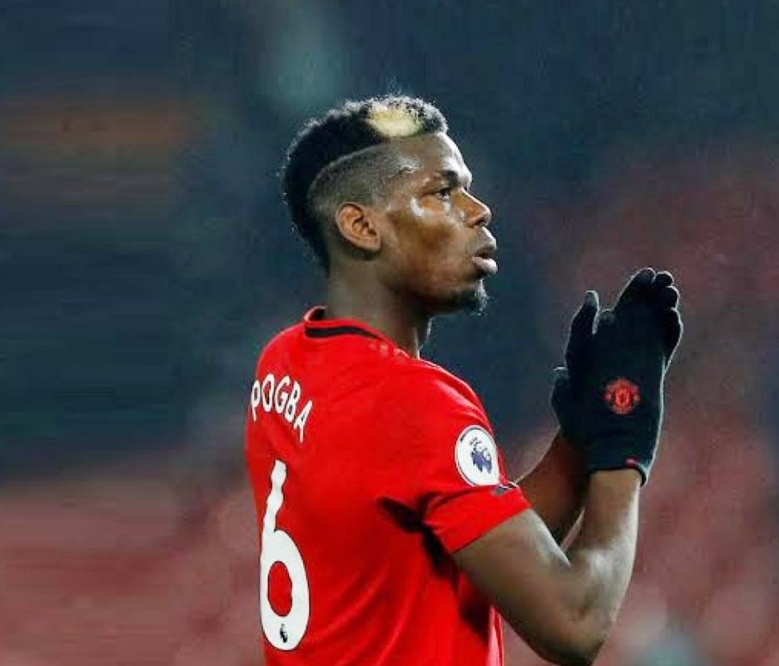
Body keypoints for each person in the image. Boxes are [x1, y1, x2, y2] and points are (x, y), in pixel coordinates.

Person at [244, 95, 682, 666]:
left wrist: (577, 442)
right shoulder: (414, 401)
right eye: (442, 193)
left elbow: (465, 550)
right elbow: (574, 625)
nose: (478, 211)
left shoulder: (284, 363)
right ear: (362, 226)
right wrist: (622, 449)